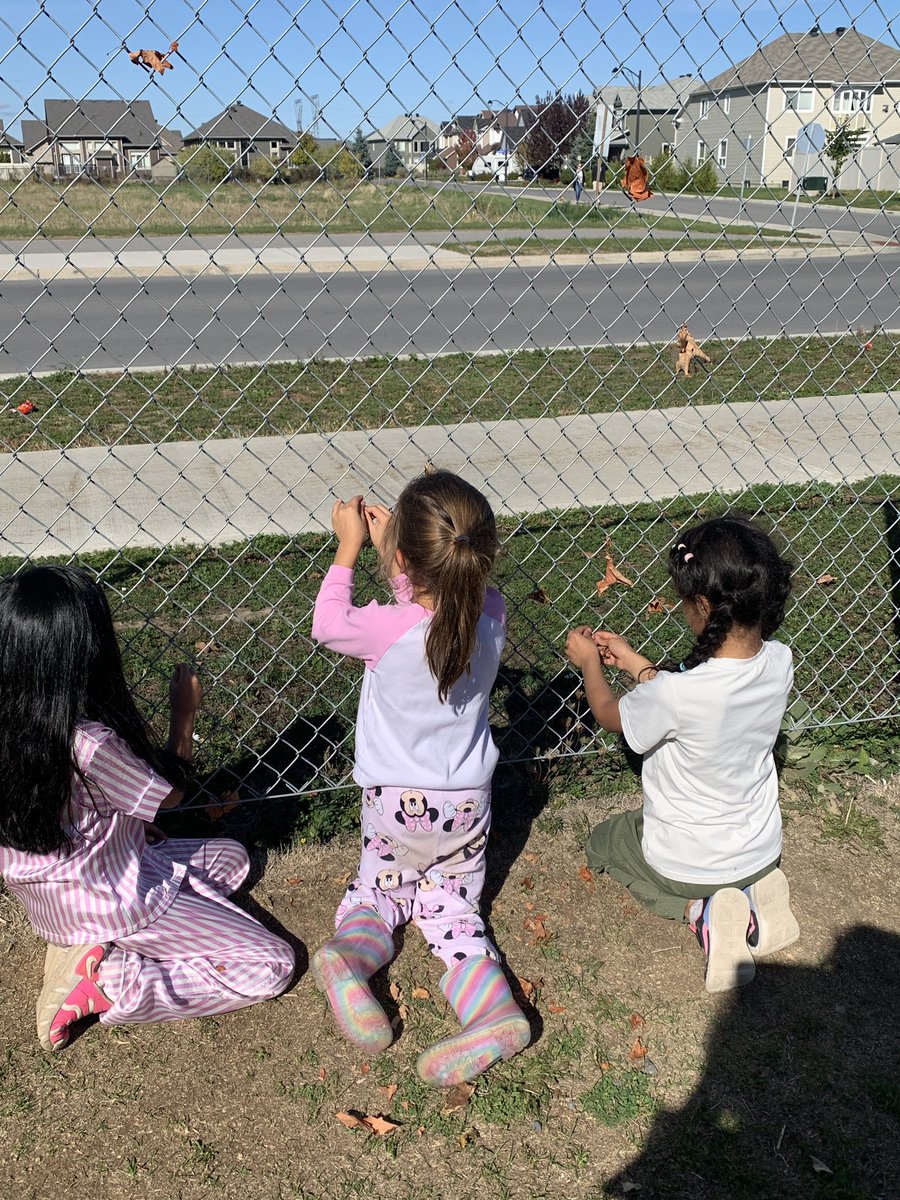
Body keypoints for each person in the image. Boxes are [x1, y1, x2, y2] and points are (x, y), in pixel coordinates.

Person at [0, 565, 294, 1051]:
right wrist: (184, 714)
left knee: (233, 861)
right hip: (117, 901)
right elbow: (167, 797)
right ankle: (115, 981)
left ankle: (77, 945)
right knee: (273, 964)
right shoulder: (88, 745)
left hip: (53, 898)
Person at [310, 470, 529, 1086]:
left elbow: (329, 623)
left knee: (380, 892)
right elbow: (444, 595)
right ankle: (492, 1011)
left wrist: (351, 545)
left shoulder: (385, 627)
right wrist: (398, 554)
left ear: (404, 559)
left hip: (394, 805)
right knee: (455, 911)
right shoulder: (492, 611)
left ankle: (353, 960)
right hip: (466, 805)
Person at [565, 515, 799, 993]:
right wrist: (635, 663)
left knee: (606, 841)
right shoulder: (780, 661)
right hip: (760, 850)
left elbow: (612, 714)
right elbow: (689, 702)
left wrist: (591, 664)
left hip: (689, 867)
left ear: (702, 606)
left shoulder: (674, 695)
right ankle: (760, 900)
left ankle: (701, 913)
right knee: (736, 865)